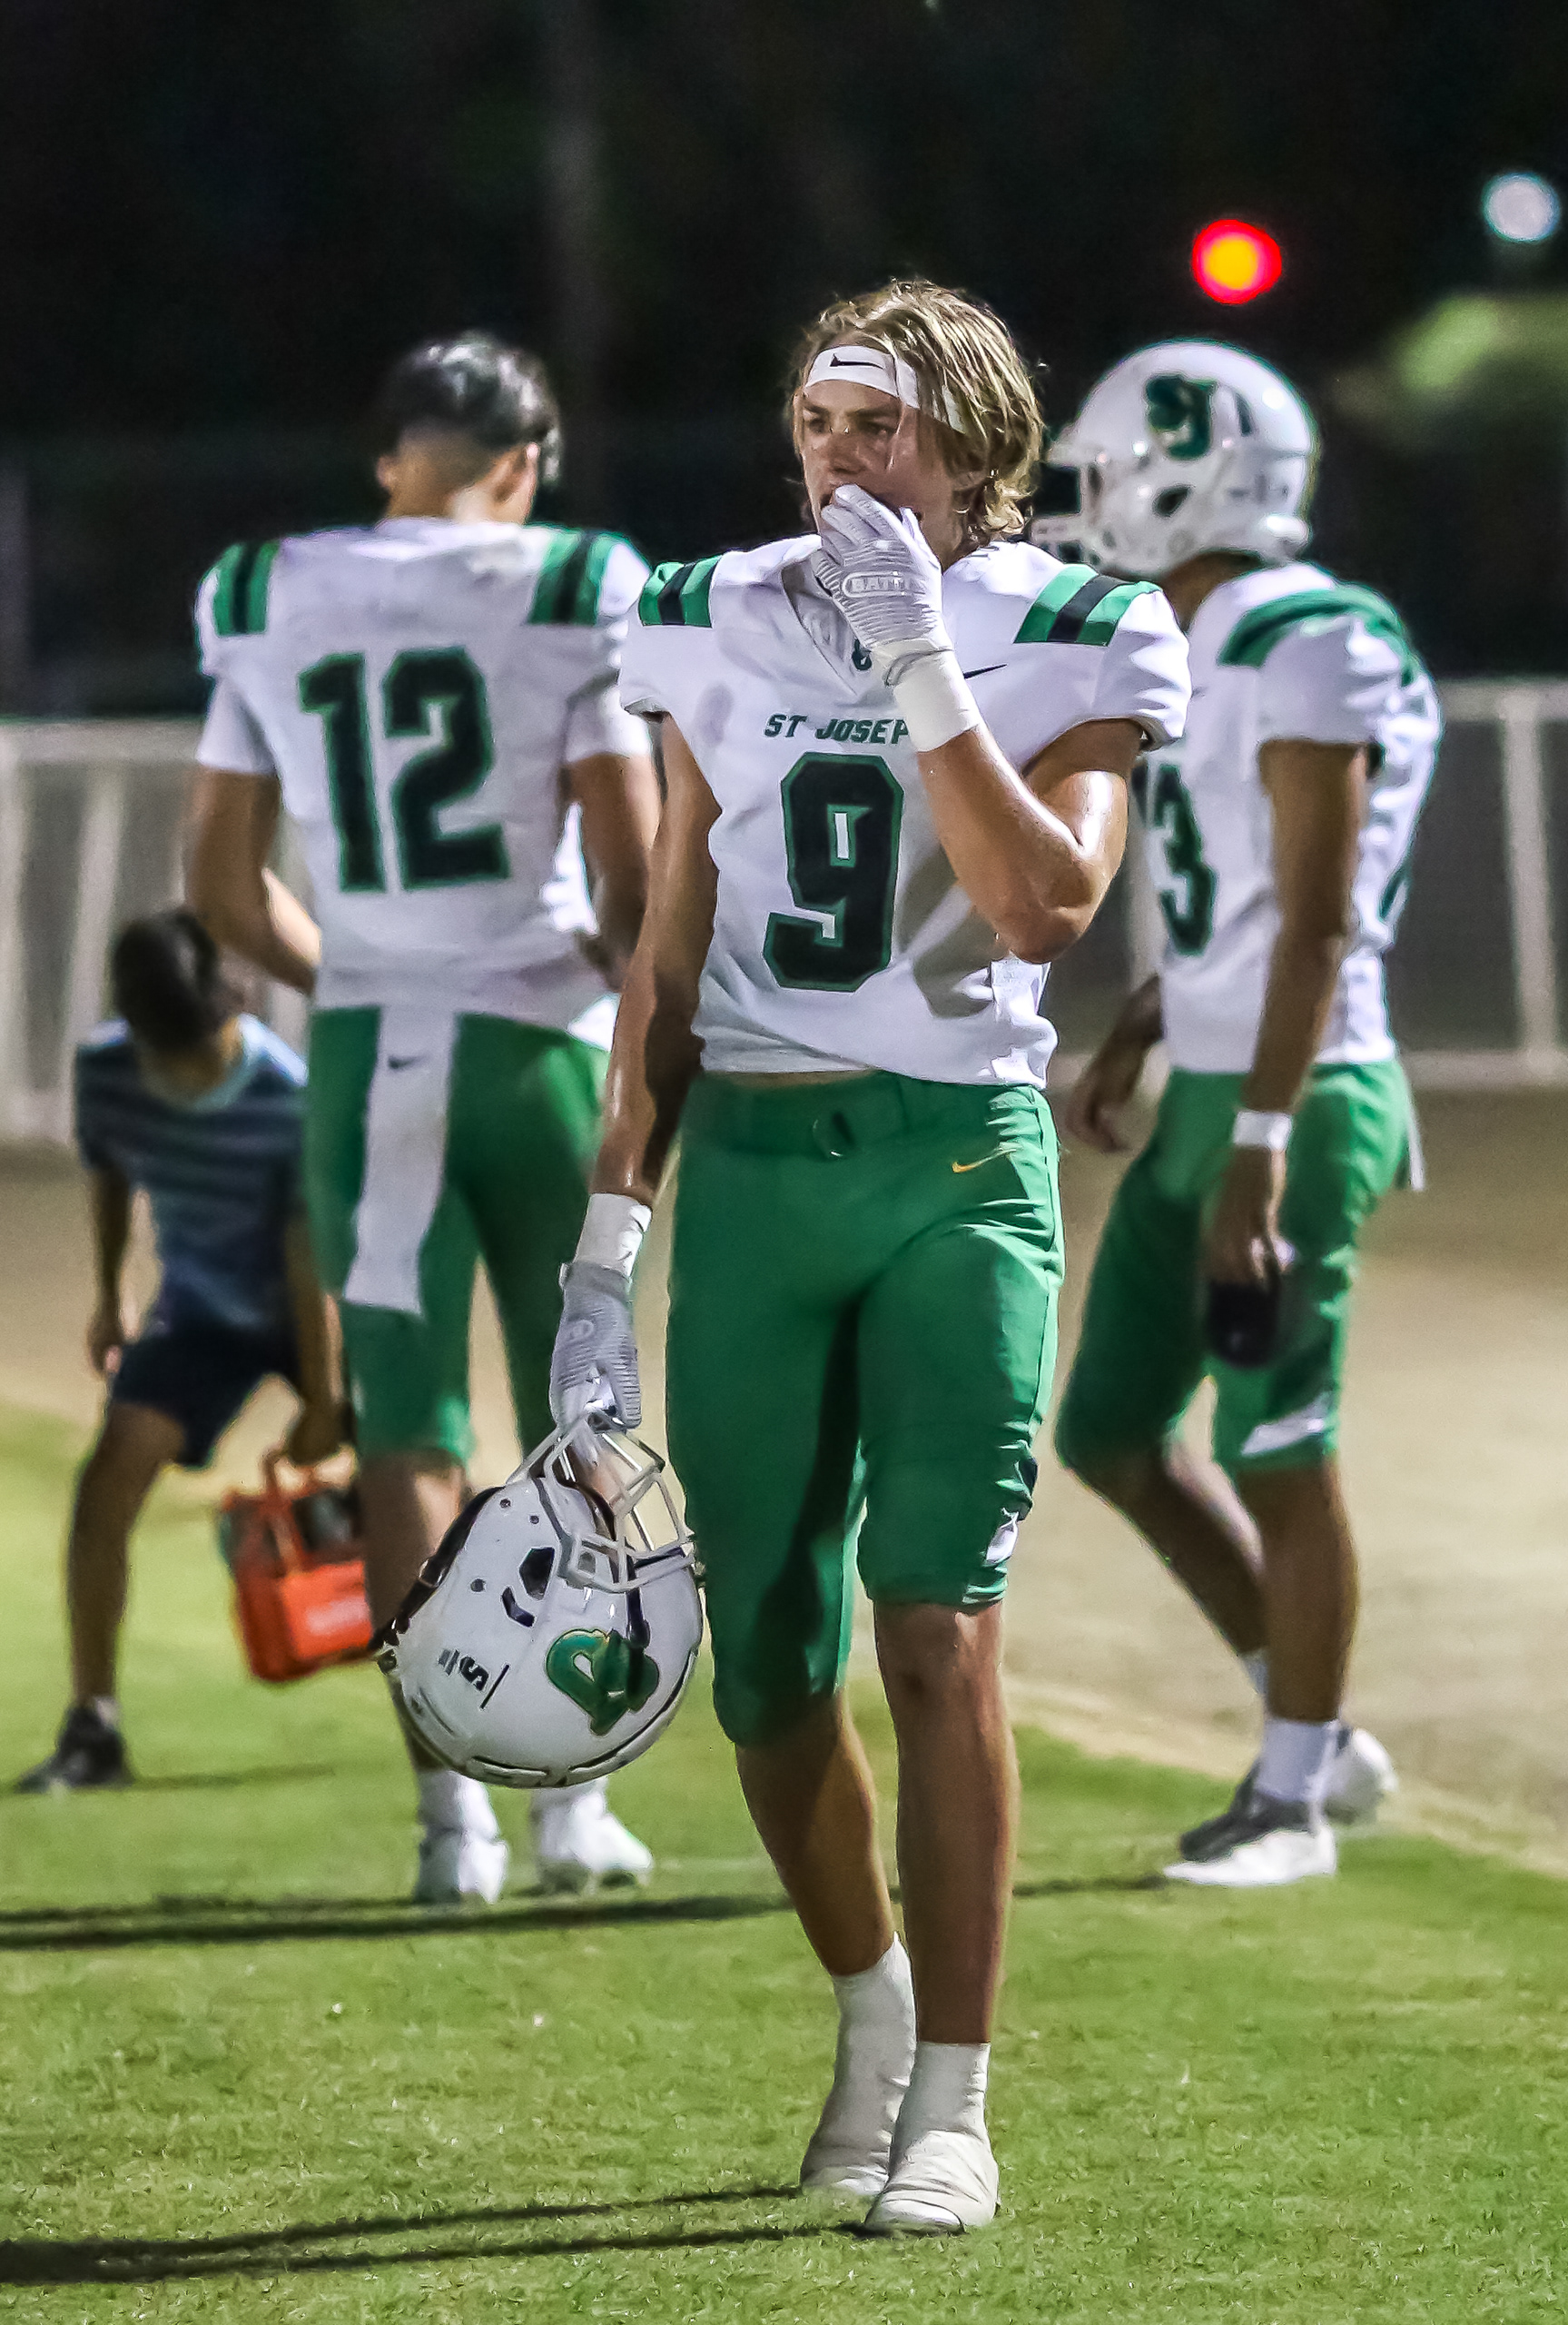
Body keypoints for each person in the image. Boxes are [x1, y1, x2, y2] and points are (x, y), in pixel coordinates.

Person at [548, 281, 1189, 2233]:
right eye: (819, 425)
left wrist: (921, 663)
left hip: (954, 1162)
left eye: (881, 427)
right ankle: (875, 2005)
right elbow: (668, 948)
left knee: (937, 1621)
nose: (840, 460)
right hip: (753, 1164)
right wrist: (606, 1242)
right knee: (762, 1663)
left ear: (977, 448)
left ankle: (959, 2102)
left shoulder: (1077, 620)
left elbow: (1040, 902)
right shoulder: (705, 609)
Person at [186, 331, 662, 1903]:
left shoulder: (266, 590)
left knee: (408, 1437)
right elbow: (630, 883)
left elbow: (220, 886)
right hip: (537, 1053)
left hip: (370, 1056)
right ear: (522, 467)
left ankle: (453, 1821)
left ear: (391, 459)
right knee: (581, 1428)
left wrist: (363, 976)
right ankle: (572, 1804)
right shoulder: (573, 580)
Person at [1040, 341, 1440, 1888]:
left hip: (1305, 1089)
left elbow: (1320, 920)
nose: (1092, 499)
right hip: (1217, 1076)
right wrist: (1144, 1024)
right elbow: (1238, 905)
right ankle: (1312, 1729)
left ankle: (1291, 1803)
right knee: (1111, 1431)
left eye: (1111, 470)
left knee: (1279, 1438)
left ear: (1189, 478)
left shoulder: (1310, 634)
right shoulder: (1194, 636)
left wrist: (1263, 1144)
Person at [15, 912, 343, 1793]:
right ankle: (94, 1727)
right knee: (107, 1481)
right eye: (165, 1057)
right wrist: (108, 1293)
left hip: (310, 1313)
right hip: (199, 1315)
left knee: (407, 1480)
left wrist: (325, 1399)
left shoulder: (286, 1096)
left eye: (197, 1052)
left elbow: (309, 1257)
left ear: (227, 1008)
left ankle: (461, 1708)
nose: (184, 1077)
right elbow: (111, 1170)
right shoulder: (105, 1072)